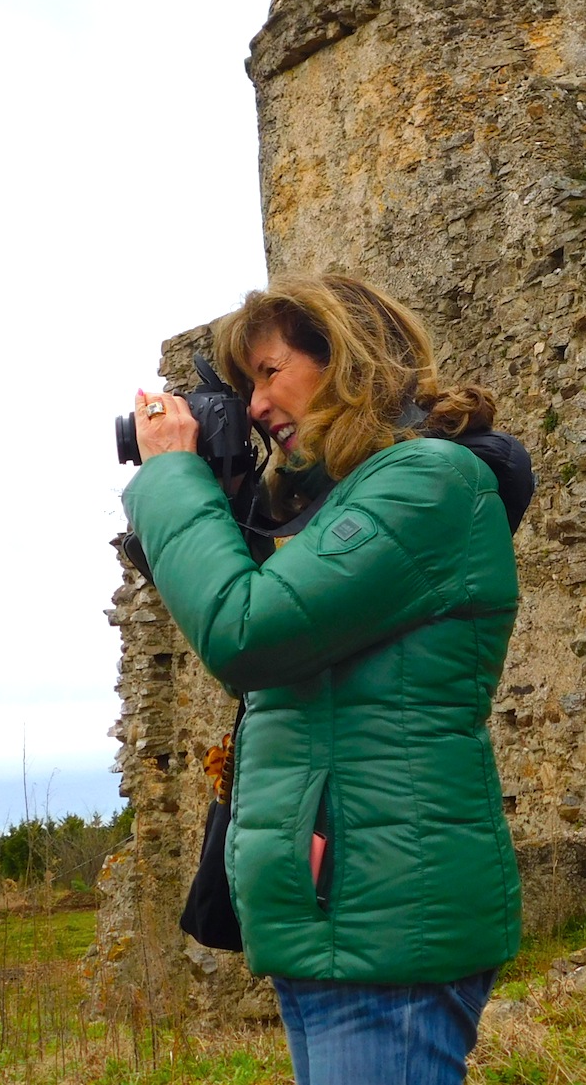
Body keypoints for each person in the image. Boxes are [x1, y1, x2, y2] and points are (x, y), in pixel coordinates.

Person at [124, 274, 522, 1085]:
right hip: (342, 915)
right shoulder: (339, 504)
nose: (258, 403)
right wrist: (223, 496)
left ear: (343, 358)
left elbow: (246, 631)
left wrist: (171, 479)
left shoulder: (427, 483)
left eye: (269, 373)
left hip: (385, 919)